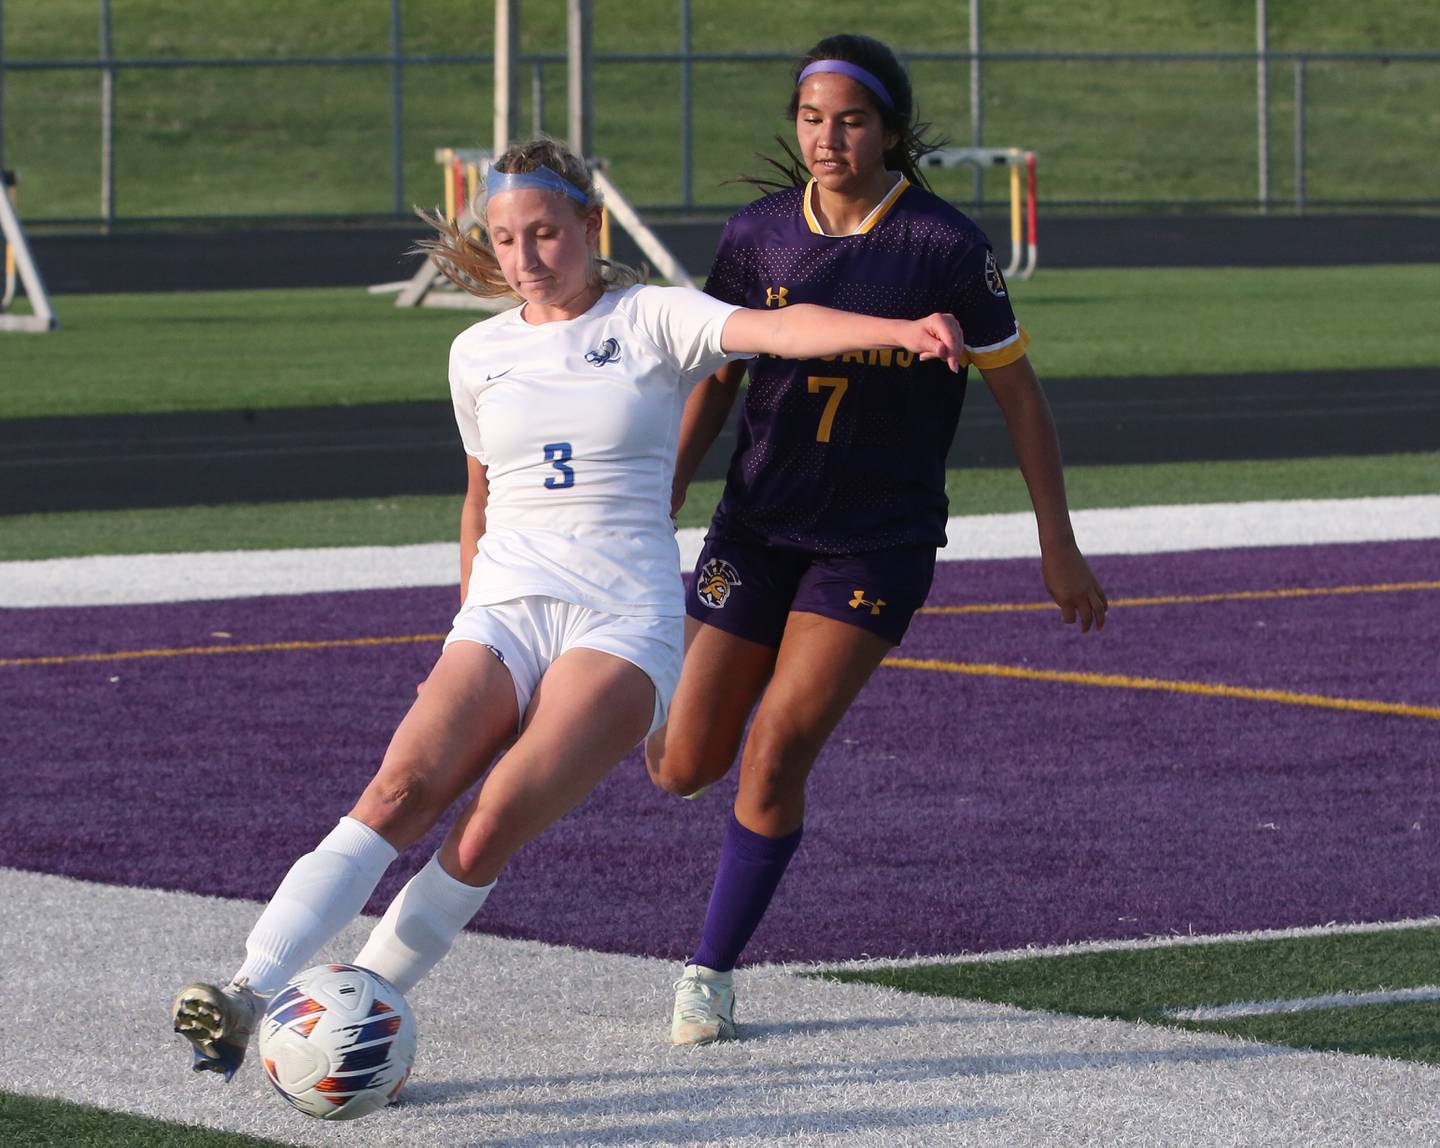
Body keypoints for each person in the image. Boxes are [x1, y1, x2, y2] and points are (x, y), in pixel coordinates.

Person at [170, 135, 965, 1080]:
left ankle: (359, 1011)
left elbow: (778, 330)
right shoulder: (476, 353)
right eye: (505, 240)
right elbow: (479, 498)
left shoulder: (653, 317)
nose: (524, 258)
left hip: (619, 624)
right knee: (396, 793)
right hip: (503, 613)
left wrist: (896, 329)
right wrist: (470, 626)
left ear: (590, 225)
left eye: (544, 233)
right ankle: (249, 991)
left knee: (489, 818)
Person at [645, 34, 1109, 1046]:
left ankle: (709, 972)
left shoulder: (944, 247)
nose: (827, 138)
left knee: (777, 749)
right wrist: (664, 490)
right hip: (756, 527)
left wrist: (1056, 542)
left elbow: (1021, 399)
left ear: (891, 131)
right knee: (681, 764)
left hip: (875, 543)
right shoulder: (758, 236)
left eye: (850, 120)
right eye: (811, 118)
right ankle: (632, 708)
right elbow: (718, 375)